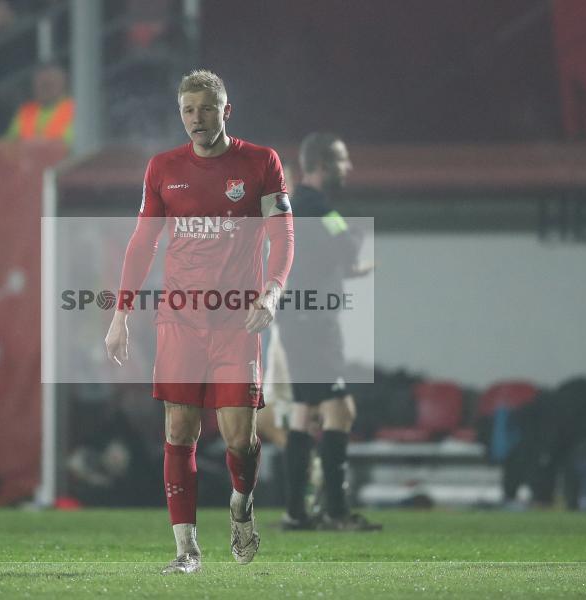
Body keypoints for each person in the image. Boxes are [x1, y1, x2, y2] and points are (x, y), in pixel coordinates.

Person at [104, 70, 294, 574]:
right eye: (188, 110)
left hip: (237, 322)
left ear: (225, 111)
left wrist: (272, 292)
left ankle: (241, 505)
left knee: (240, 440)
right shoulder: (163, 168)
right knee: (180, 430)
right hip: (180, 320)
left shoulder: (261, 163)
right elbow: (142, 244)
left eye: (206, 108)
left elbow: (284, 236)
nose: (196, 118)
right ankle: (187, 550)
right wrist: (120, 312)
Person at [277, 132, 381, 531]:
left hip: (295, 320)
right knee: (341, 409)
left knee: (304, 412)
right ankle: (337, 513)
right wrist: (353, 241)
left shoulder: (294, 207)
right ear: (321, 164)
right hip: (315, 324)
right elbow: (347, 248)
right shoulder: (319, 209)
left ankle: (296, 513)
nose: (348, 167)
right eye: (342, 160)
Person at [4, 62, 73, 143]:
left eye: (49, 84)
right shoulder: (25, 112)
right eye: (42, 85)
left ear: (63, 83)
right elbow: (8, 145)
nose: (46, 90)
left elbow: (80, 144)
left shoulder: (75, 110)